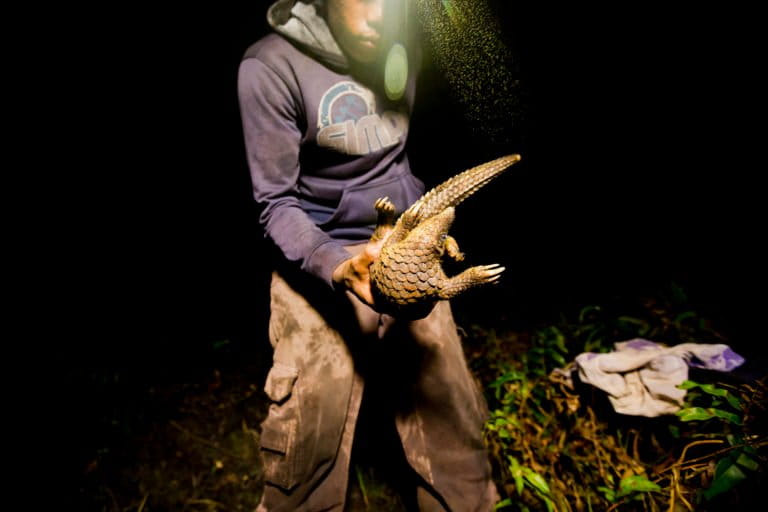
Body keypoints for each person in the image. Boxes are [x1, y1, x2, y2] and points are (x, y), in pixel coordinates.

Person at [238, 1, 499, 510]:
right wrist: (335, 262)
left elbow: (394, 157)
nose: (384, 14)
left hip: (406, 246)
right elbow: (275, 204)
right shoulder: (269, 67)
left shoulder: (404, 39)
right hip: (317, 247)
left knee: (453, 422)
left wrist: (421, 227)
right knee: (307, 439)